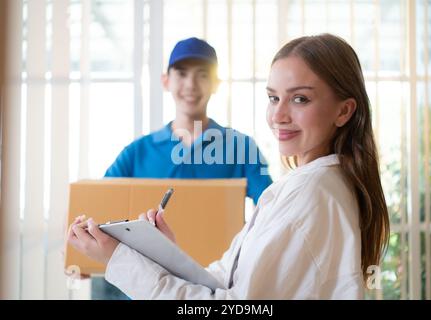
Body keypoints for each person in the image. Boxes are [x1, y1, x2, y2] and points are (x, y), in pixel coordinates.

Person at [68, 33, 390, 299]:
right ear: (166, 80)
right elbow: (231, 280)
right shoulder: (137, 151)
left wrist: (118, 260)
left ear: (344, 111)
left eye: (300, 99)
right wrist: (162, 255)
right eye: (273, 98)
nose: (277, 116)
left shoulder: (298, 188)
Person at [90, 37, 273, 299]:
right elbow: (98, 209)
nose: (191, 84)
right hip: (149, 287)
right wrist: (82, 255)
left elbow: (271, 211)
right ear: (166, 80)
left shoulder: (241, 147)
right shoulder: (138, 151)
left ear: (216, 84)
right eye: (182, 73)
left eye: (202, 75)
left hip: (212, 287)